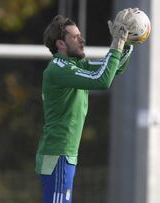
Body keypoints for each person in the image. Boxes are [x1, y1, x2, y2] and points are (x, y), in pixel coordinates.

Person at [36, 10, 135, 203]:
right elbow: (102, 80)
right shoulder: (58, 69)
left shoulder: (75, 65)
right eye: (75, 37)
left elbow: (114, 69)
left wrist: (126, 42)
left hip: (65, 155)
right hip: (58, 155)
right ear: (61, 44)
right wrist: (116, 44)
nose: (82, 40)